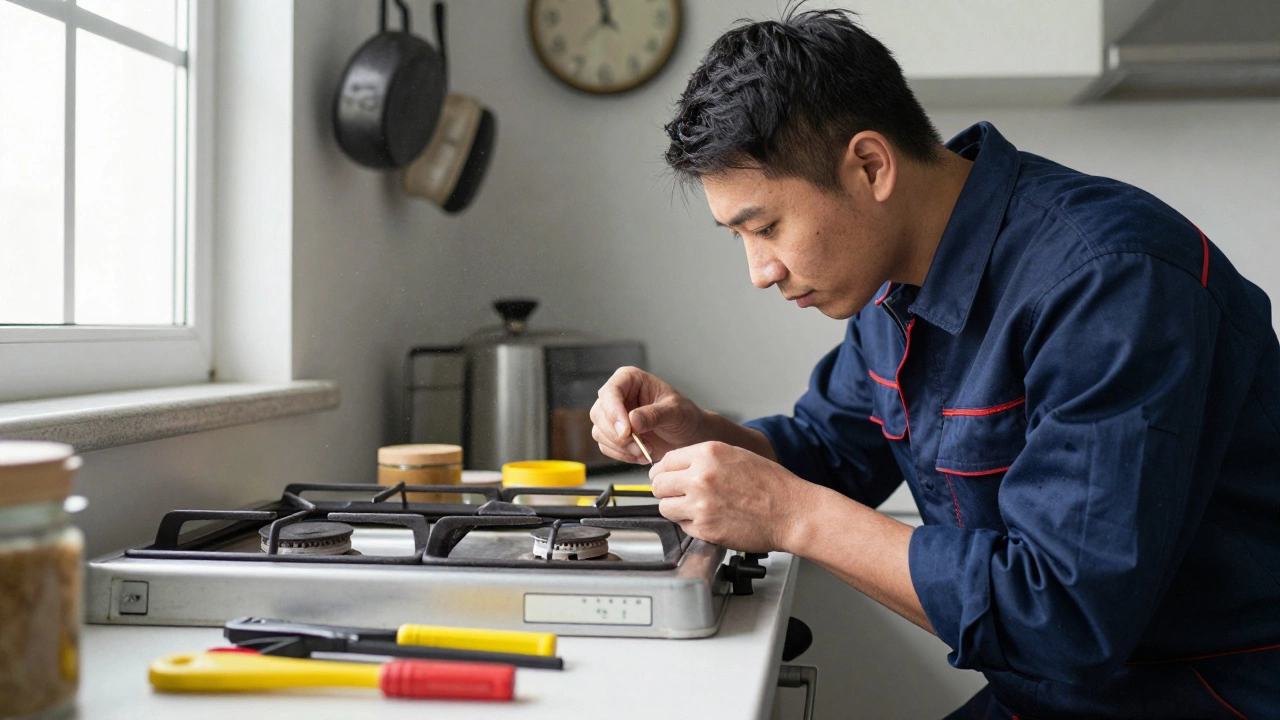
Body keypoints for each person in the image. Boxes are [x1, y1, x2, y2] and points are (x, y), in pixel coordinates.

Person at [588, 8, 1280, 719]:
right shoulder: (889, 281)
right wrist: (699, 433)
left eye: (765, 227)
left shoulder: (1112, 281)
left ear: (870, 166)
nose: (760, 271)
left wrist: (791, 515)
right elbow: (830, 450)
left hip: (1202, 698)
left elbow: (1066, 619)